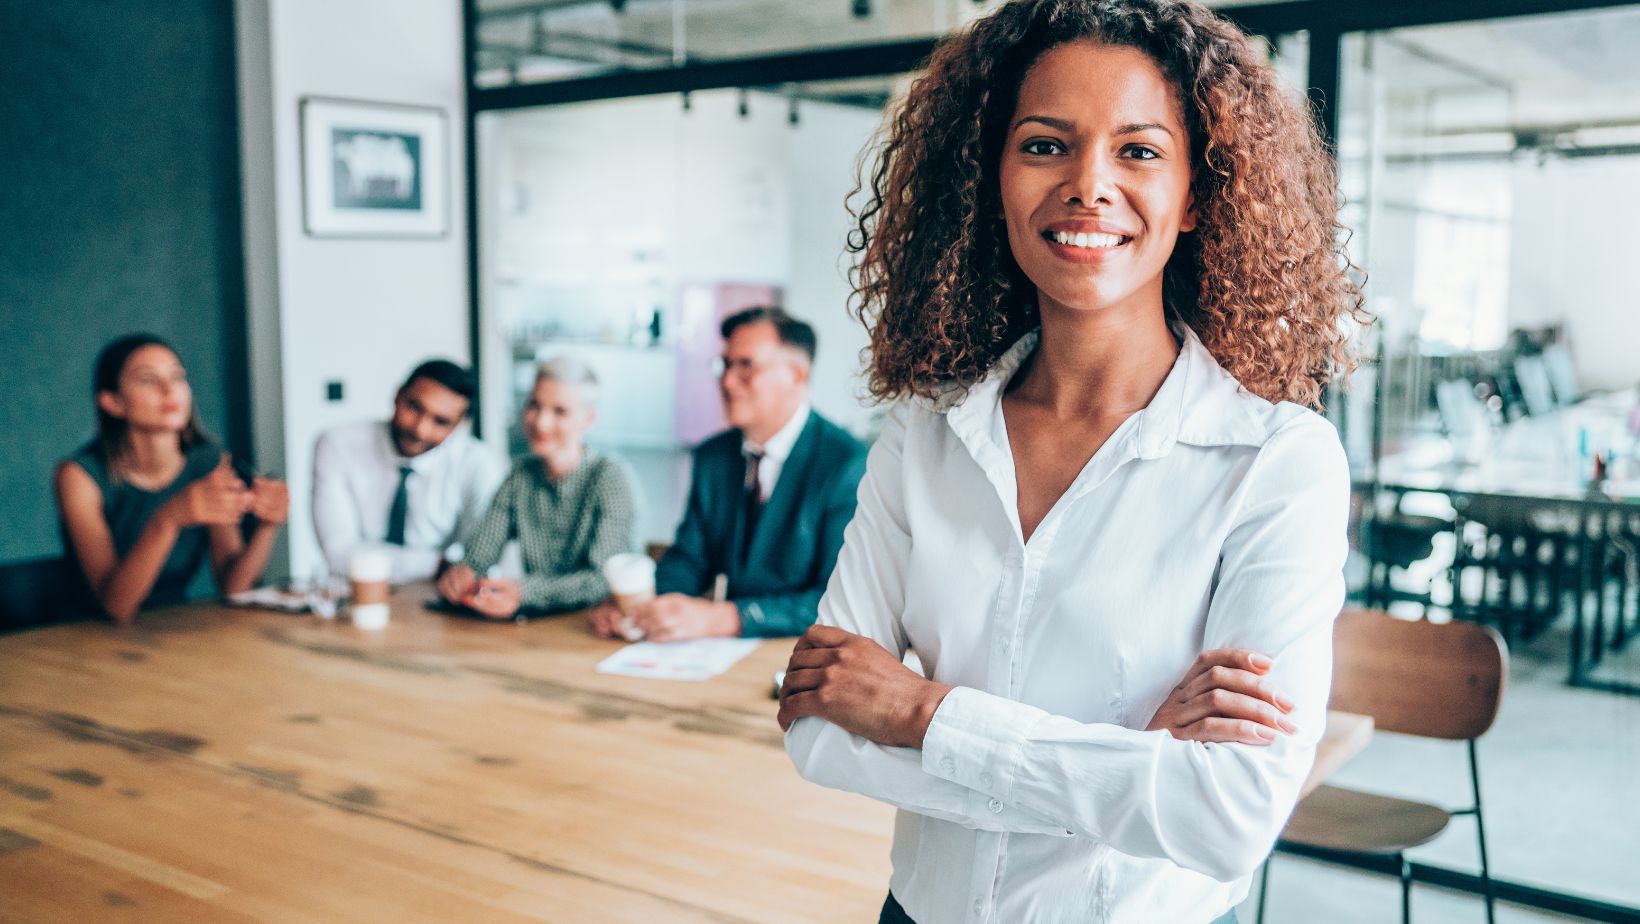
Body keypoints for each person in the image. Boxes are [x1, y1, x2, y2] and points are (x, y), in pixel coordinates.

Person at [778, 2, 1367, 922]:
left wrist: (918, 715)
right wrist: (1130, 761)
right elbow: (818, 728)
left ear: (1198, 192)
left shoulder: (1276, 462)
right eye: (1046, 145)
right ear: (993, 176)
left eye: (1138, 151)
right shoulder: (924, 435)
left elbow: (1229, 815)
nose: (1089, 186)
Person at [591, 307, 868, 642]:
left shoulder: (846, 464)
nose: (726, 381)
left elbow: (836, 600)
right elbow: (691, 559)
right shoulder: (713, 456)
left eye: (746, 366)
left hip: (804, 653)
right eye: (725, 365)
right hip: (721, 656)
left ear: (796, 375)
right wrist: (639, 608)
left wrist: (724, 618)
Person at [56, 334, 289, 624]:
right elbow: (116, 607)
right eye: (148, 380)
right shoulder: (78, 476)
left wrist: (268, 525)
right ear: (113, 402)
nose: (169, 390)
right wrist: (169, 518)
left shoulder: (209, 462)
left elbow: (234, 588)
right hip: (83, 636)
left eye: (177, 377)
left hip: (172, 627)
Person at [437, 358, 637, 619]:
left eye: (560, 411)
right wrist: (465, 572)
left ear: (588, 419)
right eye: (534, 405)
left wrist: (524, 592)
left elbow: (602, 579)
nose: (541, 422)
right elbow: (480, 552)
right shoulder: (520, 475)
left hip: (596, 624)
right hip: (536, 627)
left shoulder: (610, 478)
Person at [312, 359, 505, 584]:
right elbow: (338, 554)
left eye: (440, 421)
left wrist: (458, 569)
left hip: (438, 600)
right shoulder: (338, 444)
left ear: (459, 426)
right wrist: (438, 564)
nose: (420, 429)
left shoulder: (477, 463)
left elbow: (480, 560)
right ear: (397, 395)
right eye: (414, 407)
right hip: (357, 594)